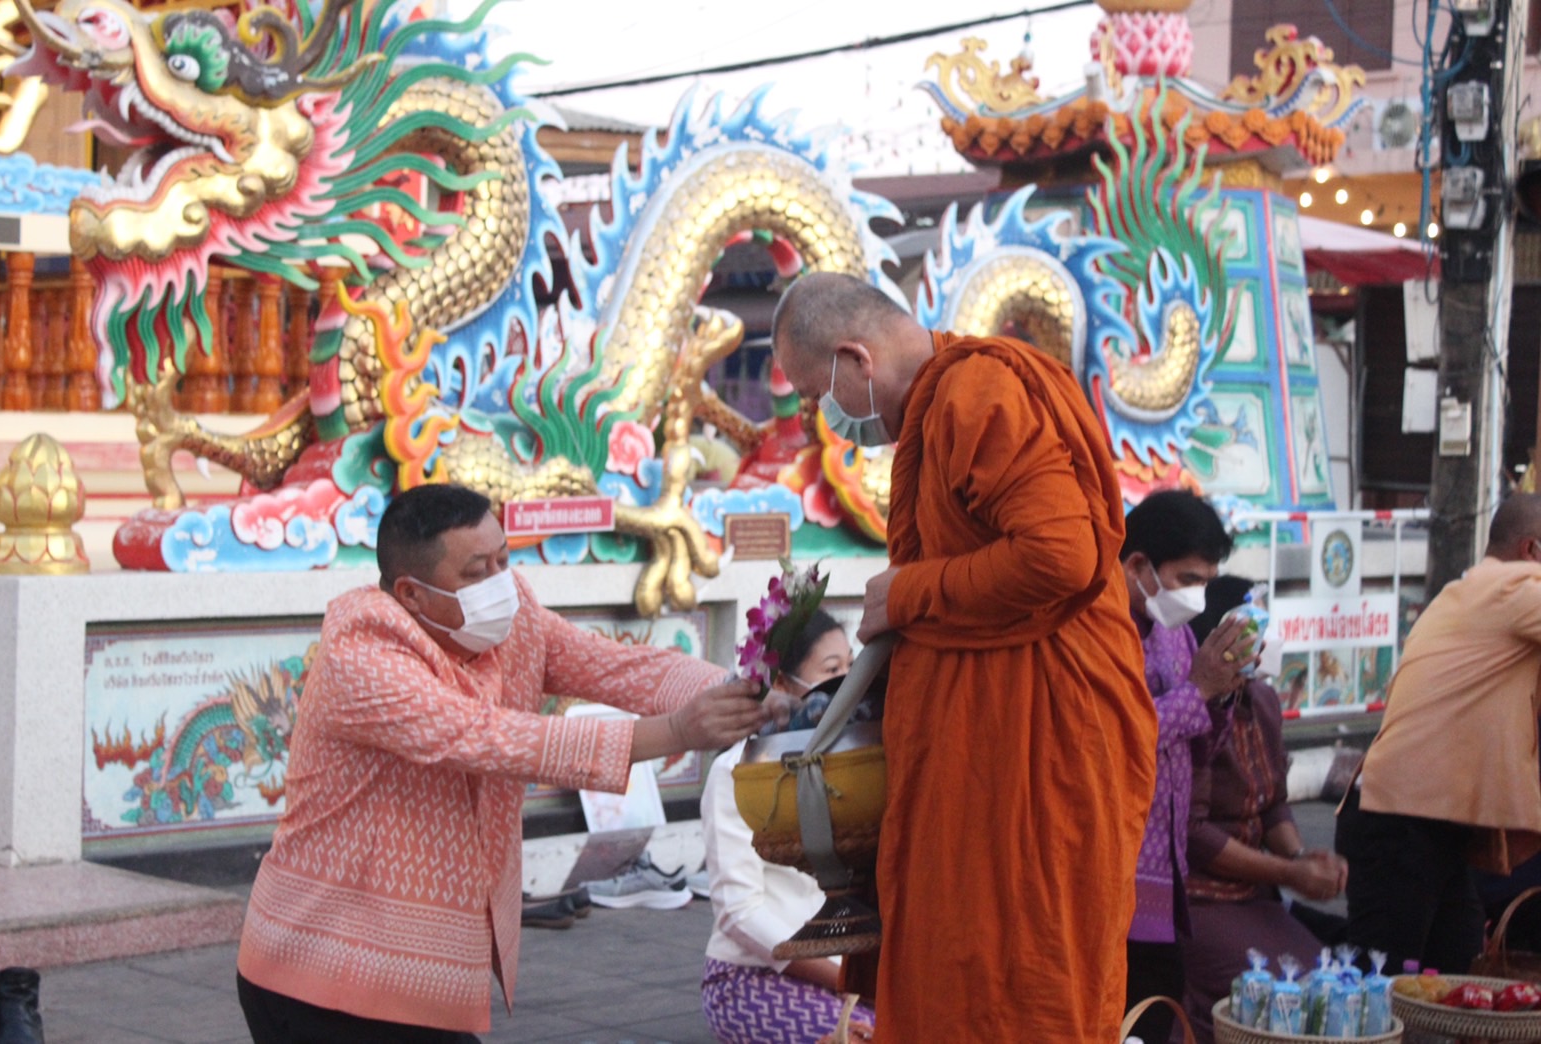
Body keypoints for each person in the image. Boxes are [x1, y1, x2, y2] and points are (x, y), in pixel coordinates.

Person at [235, 483, 787, 1043]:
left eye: (504, 558)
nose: (499, 582)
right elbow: (487, 738)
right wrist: (675, 731)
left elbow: (617, 666)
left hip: (419, 979)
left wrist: (741, 692)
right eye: (476, 572)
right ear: (412, 593)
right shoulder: (362, 648)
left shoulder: (512, 618)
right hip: (319, 970)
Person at [771, 272, 1159, 1042]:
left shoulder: (976, 392)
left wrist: (908, 594)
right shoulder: (946, 402)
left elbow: (1062, 556)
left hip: (1034, 760)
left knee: (1015, 980)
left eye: (821, 392)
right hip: (978, 759)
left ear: (858, 358)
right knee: (957, 973)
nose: (828, 415)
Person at [1336, 493, 1541, 975]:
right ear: (1532, 550)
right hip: (1401, 818)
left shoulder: (1466, 590)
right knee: (1376, 991)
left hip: (1428, 817)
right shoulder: (1511, 588)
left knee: (1450, 975)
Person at [1181, 576, 1349, 1044]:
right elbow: (1192, 834)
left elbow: (1272, 802)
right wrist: (1288, 874)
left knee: (1327, 986)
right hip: (1198, 898)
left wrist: (1300, 859)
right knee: (1277, 998)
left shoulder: (1262, 700)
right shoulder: (1193, 706)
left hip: (1256, 894)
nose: (1268, 640)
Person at [700, 609, 875, 1044]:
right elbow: (741, 914)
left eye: (852, 667)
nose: (847, 684)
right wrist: (844, 980)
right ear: (781, 686)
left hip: (853, 971)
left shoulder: (858, 764)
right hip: (754, 977)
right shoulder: (736, 773)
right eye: (832, 671)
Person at [1117, 489, 1254, 1044]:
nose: (1198, 596)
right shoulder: (1099, 633)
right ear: (1139, 565)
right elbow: (1112, 741)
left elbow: (1192, 743)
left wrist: (1220, 696)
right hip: (1116, 869)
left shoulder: (1172, 634)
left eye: (1207, 581)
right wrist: (1199, 690)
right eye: (1188, 579)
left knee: (1156, 1011)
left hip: (1166, 869)